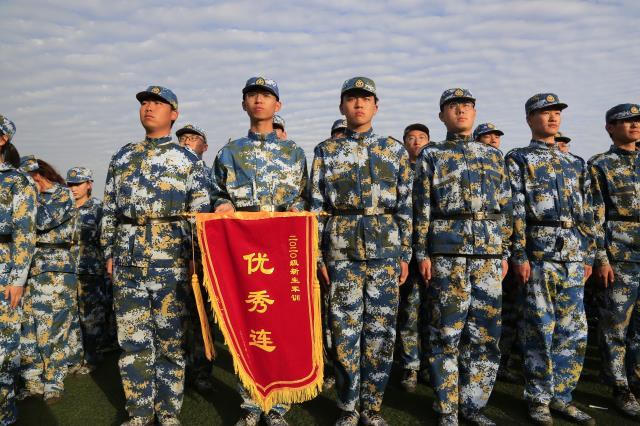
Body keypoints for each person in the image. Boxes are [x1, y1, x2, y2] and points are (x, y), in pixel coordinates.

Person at [101, 85, 210, 426]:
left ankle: (168, 410)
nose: (149, 107)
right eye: (145, 102)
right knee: (132, 339)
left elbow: (199, 213)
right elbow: (109, 208)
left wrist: (195, 258)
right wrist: (108, 251)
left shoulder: (187, 160)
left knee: (170, 340)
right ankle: (139, 411)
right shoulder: (123, 156)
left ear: (173, 114)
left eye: (158, 103)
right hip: (128, 257)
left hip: (171, 260)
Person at [310, 76, 412, 426]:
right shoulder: (326, 151)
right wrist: (318, 256)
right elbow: (317, 206)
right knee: (344, 331)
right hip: (342, 251)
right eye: (352, 99)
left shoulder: (393, 150)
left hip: (385, 251)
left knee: (381, 332)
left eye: (365, 99)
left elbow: (405, 205)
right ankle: (347, 406)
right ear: (342, 106)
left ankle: (372, 406)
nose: (358, 104)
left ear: (375, 106)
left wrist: (404, 254)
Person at [210, 76, 308, 426]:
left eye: (266, 95)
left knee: (282, 323)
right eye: (252, 95)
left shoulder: (293, 152)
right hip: (243, 247)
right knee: (247, 320)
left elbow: (303, 195)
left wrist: (297, 208)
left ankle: (279, 405)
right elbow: (215, 192)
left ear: (277, 105)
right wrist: (221, 204)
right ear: (244, 104)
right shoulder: (229, 152)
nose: (258, 100)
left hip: (282, 246)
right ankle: (250, 404)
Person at [413, 88, 511, 426]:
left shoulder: (494, 156)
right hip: (448, 252)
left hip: (488, 254)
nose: (461, 111)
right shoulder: (432, 154)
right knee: (446, 333)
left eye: (467, 105)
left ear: (474, 112)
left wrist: (505, 251)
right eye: (453, 106)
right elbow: (422, 205)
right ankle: (447, 408)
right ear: (442, 115)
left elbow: (505, 206)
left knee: (486, 334)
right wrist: (422, 251)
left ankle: (474, 405)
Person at [506, 93, 595, 426]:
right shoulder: (519, 158)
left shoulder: (576, 163)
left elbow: (589, 212)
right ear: (530, 119)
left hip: (573, 255)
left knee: (574, 331)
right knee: (539, 330)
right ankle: (539, 398)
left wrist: (588, 254)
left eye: (557, 112)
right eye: (545, 112)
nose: (553, 117)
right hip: (539, 254)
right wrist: (519, 253)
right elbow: (514, 210)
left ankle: (562, 396)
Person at [589, 103, 640, 418]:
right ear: (610, 127)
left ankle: (636, 381)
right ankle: (620, 387)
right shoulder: (600, 165)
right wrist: (601, 258)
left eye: (637, 120)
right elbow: (594, 217)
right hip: (619, 257)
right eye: (626, 121)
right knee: (615, 327)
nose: (634, 125)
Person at [19, 159, 78, 404]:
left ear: (38, 175)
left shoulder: (62, 195)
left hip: (56, 269)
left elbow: (41, 221)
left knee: (54, 327)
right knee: (29, 328)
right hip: (28, 269)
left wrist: (25, 202)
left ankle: (54, 381)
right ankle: (32, 381)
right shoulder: (27, 197)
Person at [0, 115, 37, 425]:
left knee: (3, 348)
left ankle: (4, 414)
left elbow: (24, 233)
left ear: (3, 139)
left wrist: (17, 279)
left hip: (4, 266)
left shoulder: (16, 181)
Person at [175, 123, 214, 393]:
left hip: (201, 257)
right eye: (183, 138)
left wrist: (199, 255)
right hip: (170, 255)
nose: (187, 141)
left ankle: (201, 371)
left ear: (204, 147)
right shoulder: (169, 173)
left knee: (202, 316)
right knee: (176, 317)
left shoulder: (210, 176)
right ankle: (177, 371)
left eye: (193, 138)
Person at [397, 123, 430, 392]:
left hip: (434, 250)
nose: (416, 142)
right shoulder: (400, 170)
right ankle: (410, 366)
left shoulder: (437, 167)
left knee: (436, 312)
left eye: (421, 138)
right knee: (409, 310)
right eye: (411, 138)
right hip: (407, 252)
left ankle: (431, 364)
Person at [65, 167, 105, 374]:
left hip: (91, 269)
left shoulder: (98, 208)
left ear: (89, 184)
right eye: (70, 184)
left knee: (90, 316)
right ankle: (73, 357)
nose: (73, 189)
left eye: (78, 184)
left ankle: (92, 358)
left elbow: (105, 239)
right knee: (70, 315)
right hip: (67, 269)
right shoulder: (64, 207)